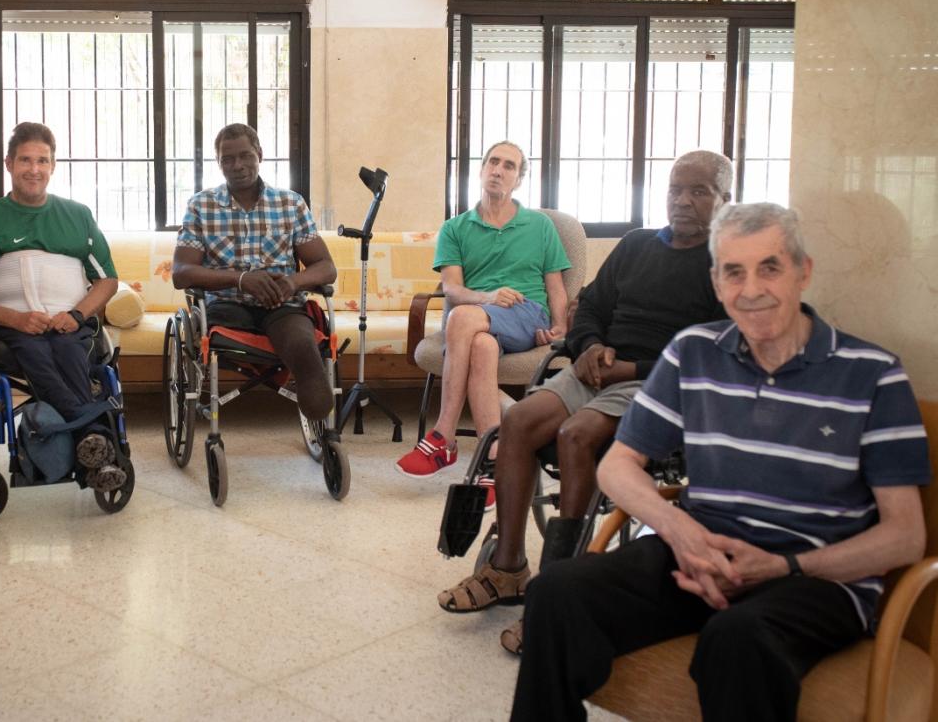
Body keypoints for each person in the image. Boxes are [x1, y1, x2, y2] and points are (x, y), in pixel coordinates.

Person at [511, 203, 930, 722]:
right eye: (734, 272)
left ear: (803, 271)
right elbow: (618, 465)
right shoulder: (693, 352)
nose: (751, 289)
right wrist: (682, 533)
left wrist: (783, 566)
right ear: (716, 282)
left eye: (769, 267)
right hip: (699, 554)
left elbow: (906, 536)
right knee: (556, 593)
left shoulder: (873, 375)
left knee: (738, 638)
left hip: (814, 576)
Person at [435, 150, 732, 642]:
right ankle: (508, 568)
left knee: (575, 435)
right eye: (675, 189)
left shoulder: (726, 265)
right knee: (518, 422)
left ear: (726, 199)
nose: (682, 201)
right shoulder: (637, 245)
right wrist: (590, 345)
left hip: (658, 382)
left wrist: (630, 369)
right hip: (595, 369)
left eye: (699, 191)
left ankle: (559, 590)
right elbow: (590, 304)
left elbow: (714, 351)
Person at [0, 122, 124, 491]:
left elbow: (107, 280)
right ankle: (93, 434)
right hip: (7, 327)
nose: (34, 169)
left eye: (42, 160)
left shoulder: (78, 216)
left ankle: (86, 444)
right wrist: (16, 319)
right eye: (25, 160)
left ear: (53, 166)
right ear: (9, 164)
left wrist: (77, 315)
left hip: (68, 324)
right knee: (35, 348)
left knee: (68, 350)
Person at [396, 141, 570, 479]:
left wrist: (560, 325)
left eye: (509, 166)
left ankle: (443, 433)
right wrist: (488, 297)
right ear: (481, 170)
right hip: (482, 317)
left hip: (526, 312)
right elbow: (452, 289)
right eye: (493, 162)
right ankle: (493, 459)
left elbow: (555, 286)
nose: (498, 170)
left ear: (518, 180)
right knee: (481, 346)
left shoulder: (540, 226)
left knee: (460, 316)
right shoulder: (455, 228)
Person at [171, 123, 337, 424]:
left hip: (281, 304)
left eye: (245, 155)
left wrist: (293, 282)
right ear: (219, 163)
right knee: (227, 322)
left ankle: (316, 398)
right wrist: (240, 279)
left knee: (302, 343)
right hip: (227, 306)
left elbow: (326, 267)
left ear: (259, 154)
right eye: (228, 159)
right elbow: (181, 272)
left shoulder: (291, 204)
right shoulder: (201, 206)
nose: (238, 165)